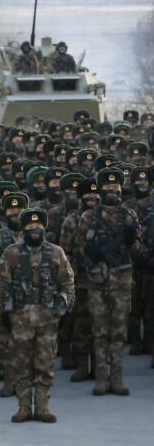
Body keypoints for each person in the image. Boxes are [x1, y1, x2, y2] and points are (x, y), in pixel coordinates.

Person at [0, 208, 74, 423]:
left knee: (45, 364)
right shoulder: (11, 252)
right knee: (21, 364)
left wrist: (66, 306)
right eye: (29, 227)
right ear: (23, 229)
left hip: (48, 319)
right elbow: (1, 283)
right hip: (20, 319)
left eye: (38, 227)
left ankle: (42, 407)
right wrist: (3, 311)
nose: (34, 230)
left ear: (44, 228)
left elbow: (67, 283)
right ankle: (23, 407)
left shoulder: (56, 252)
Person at [73, 168, 140, 396]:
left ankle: (117, 378)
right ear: (100, 189)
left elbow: (135, 250)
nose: (112, 190)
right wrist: (89, 252)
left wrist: (131, 240)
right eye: (108, 187)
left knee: (119, 332)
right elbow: (77, 248)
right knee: (99, 331)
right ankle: (100, 379)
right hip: (97, 281)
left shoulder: (130, 215)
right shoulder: (88, 216)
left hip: (121, 281)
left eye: (116, 187)